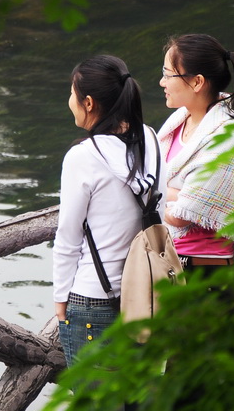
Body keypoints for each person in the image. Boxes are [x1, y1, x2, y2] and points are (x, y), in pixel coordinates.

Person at [53, 54, 167, 369]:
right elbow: (162, 208)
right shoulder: (151, 140)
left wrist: (61, 299)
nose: (69, 101)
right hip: (148, 296)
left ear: (88, 103)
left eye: (72, 94)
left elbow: (68, 236)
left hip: (93, 300)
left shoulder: (83, 157)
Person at [157, 34, 234, 270]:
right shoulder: (178, 122)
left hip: (205, 269)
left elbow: (180, 215)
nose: (162, 82)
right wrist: (176, 192)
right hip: (166, 258)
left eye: (167, 74)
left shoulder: (224, 137)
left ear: (197, 82)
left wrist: (159, 191)